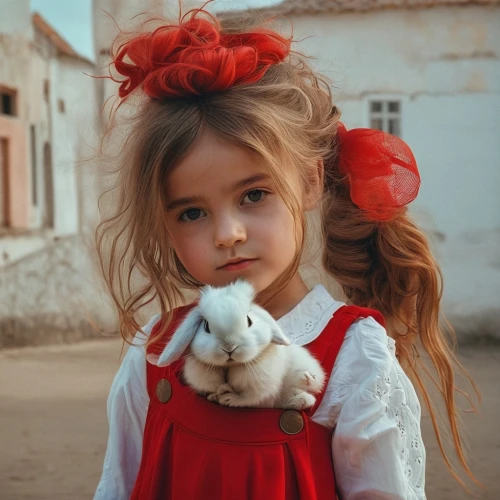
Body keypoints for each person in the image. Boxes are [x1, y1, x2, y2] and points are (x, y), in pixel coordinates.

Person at [93, 4, 478, 499]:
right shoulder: (152, 353)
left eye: (254, 195)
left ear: (311, 181)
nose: (227, 233)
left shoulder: (354, 360)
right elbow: (117, 486)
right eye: (191, 212)